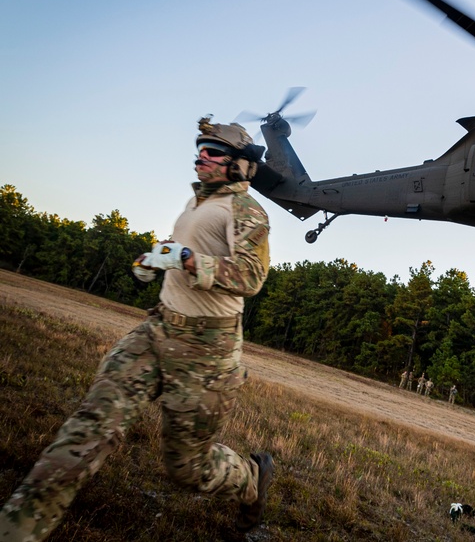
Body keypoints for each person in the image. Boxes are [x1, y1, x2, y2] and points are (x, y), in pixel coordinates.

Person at [0, 117, 274, 540]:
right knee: (91, 426)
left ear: (239, 164)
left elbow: (251, 277)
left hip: (207, 352)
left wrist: (185, 258)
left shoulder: (247, 210)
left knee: (187, 468)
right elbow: (180, 248)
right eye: (200, 147)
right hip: (156, 331)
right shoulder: (197, 202)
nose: (202, 154)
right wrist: (154, 258)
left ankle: (252, 479)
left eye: (214, 151)